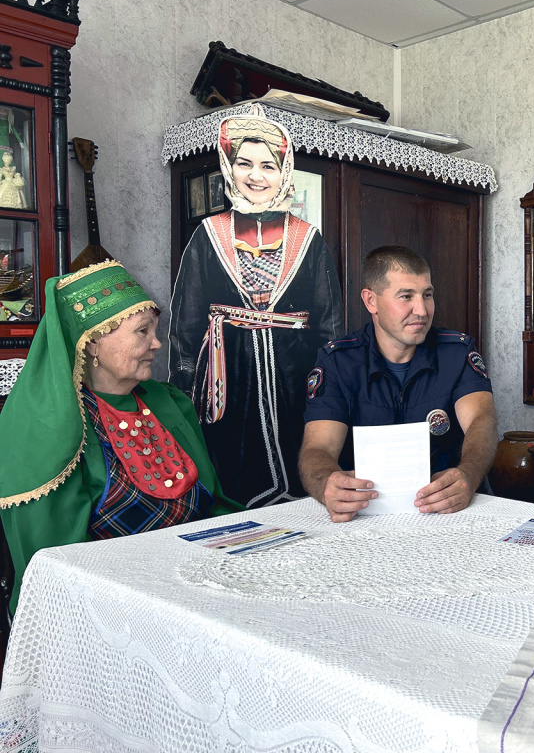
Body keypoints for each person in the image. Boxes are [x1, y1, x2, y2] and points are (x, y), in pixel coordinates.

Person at [0, 261, 242, 614]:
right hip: (108, 600)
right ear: (94, 342)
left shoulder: (167, 402)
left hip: (196, 581)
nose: (157, 344)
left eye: (155, 331)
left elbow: (213, 506)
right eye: (142, 332)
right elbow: (57, 564)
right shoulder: (55, 426)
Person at [168, 110, 344, 509]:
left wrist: (328, 390)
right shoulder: (207, 236)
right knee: (232, 475)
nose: (256, 175)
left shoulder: (309, 240)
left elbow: (329, 325)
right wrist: (185, 396)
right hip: (228, 379)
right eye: (244, 163)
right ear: (230, 168)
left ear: (284, 173)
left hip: (293, 376)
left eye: (268, 165)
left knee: (301, 478)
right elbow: (187, 323)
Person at [299, 245, 498, 522]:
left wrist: (468, 474)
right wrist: (326, 485)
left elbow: (482, 422)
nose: (422, 310)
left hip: (446, 509)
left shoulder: (458, 352)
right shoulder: (337, 361)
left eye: (427, 295)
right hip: (365, 513)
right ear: (371, 301)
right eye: (406, 296)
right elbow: (317, 449)